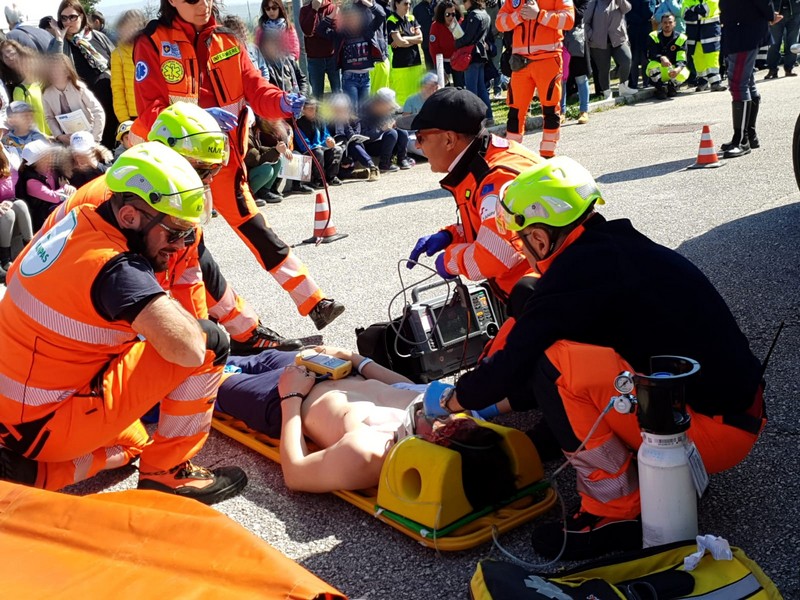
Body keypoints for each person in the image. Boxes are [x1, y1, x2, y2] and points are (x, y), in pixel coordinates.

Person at [439, 156, 766, 560]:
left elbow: (514, 361)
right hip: (735, 411)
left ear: (539, 239)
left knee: (552, 365)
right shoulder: (613, 247)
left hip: (710, 434)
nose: (523, 249)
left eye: (522, 241)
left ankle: (613, 513)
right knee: (554, 339)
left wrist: (452, 400)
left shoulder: (576, 273)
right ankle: (651, 470)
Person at [0, 143, 248, 504]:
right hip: (46, 423)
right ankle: (168, 476)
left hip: (14, 412)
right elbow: (188, 349)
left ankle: (28, 474)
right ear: (130, 216)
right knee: (209, 341)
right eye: (174, 233)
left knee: (134, 443)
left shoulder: (79, 217)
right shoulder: (117, 271)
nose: (180, 246)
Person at [133, 0, 345, 331]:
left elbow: (255, 88)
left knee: (257, 230)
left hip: (224, 162)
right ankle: (240, 331)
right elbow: (150, 112)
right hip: (176, 171)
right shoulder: (152, 42)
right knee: (190, 255)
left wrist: (281, 101)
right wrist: (200, 120)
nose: (204, 4)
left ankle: (314, 301)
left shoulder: (228, 39)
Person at [29, 102, 304, 356]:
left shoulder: (158, 196)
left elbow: (189, 277)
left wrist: (205, 342)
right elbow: (145, 291)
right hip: (62, 336)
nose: (208, 181)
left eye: (213, 171)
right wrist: (196, 349)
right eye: (202, 170)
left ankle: (247, 334)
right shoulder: (124, 200)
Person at [216, 347, 518, 499]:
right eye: (463, 422)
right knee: (238, 351)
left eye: (447, 428)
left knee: (206, 376)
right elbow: (405, 385)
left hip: (278, 398)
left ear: (437, 453)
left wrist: (290, 396)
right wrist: (355, 358)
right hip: (328, 369)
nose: (451, 418)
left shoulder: (371, 452)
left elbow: (296, 474)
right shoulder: (447, 411)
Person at [403, 87, 541, 304]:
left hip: (545, 295)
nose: (418, 145)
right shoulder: (486, 157)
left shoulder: (495, 180)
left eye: (421, 137)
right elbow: (494, 227)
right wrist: (451, 235)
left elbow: (495, 255)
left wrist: (449, 261)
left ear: (449, 139)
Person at [496, 0, 574, 157]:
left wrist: (539, 15)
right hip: (520, 62)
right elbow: (499, 23)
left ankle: (548, 154)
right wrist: (519, 16)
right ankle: (513, 156)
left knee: (550, 109)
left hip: (548, 60)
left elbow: (568, 20)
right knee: (515, 111)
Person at [47, 0, 119, 149]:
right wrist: (59, 39)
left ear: (82, 16)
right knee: (94, 149)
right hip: (85, 110)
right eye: (64, 18)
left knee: (115, 144)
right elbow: (53, 67)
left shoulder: (97, 36)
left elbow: (116, 61)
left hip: (112, 99)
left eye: (72, 17)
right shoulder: (58, 43)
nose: (68, 22)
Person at [719, 0, 779, 158]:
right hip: (740, 30)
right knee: (747, 82)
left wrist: (770, 15)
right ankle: (749, 135)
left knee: (738, 84)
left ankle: (741, 140)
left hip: (745, 32)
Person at [316, 0, 386, 110]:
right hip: (349, 79)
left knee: (364, 112)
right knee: (352, 112)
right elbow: (320, 30)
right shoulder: (340, 35)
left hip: (365, 77)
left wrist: (366, 2)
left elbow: (381, 15)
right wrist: (334, 12)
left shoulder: (367, 31)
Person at [42, 54, 105, 145]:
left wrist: (94, 138)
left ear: (67, 72)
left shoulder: (79, 87)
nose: (54, 75)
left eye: (58, 71)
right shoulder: (47, 94)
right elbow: (49, 118)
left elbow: (98, 111)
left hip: (88, 136)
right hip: (66, 140)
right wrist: (59, 136)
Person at [15, 139, 73, 231]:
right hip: (41, 220)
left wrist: (68, 187)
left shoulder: (51, 170)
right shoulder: (31, 181)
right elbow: (54, 197)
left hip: (54, 212)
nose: (52, 156)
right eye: (48, 155)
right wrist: (64, 187)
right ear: (39, 161)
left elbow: (66, 183)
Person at [586, 0, 637, 99]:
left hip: (618, 39)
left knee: (626, 59)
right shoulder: (594, 3)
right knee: (604, 69)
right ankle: (607, 92)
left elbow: (627, 8)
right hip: (599, 43)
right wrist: (591, 36)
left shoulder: (618, 2)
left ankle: (623, 87)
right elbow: (585, 22)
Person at [327, 93, 380, 181]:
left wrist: (345, 123)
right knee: (339, 145)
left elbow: (353, 136)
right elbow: (327, 136)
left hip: (352, 150)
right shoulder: (329, 122)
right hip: (338, 149)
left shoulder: (355, 121)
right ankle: (352, 174)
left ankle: (372, 167)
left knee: (353, 144)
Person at [0, 146, 33, 282]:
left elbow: (10, 193)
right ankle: (5, 260)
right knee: (8, 215)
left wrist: (8, 201)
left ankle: (31, 248)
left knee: (20, 205)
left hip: (5, 202)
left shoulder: (5, 164)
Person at [457, 0, 494, 123]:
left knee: (471, 89)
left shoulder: (473, 15)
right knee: (481, 88)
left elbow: (468, 37)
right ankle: (488, 116)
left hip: (471, 55)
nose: (463, 4)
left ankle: (474, 119)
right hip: (481, 54)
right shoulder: (485, 14)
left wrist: (457, 43)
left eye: (464, 1)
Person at [361, 87, 412, 172]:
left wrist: (395, 124)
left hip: (387, 142)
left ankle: (402, 159)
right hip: (371, 146)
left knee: (402, 131)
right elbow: (364, 137)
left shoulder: (387, 111)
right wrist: (382, 130)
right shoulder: (366, 113)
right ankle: (384, 164)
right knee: (392, 133)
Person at [300, 0, 342, 98]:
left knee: (338, 92)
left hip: (332, 57)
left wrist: (318, 31)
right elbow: (307, 31)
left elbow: (335, 32)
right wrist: (314, 10)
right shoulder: (305, 10)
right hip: (314, 59)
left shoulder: (332, 8)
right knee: (317, 95)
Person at [110, 10, 146, 125]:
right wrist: (124, 121)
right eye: (128, 26)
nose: (133, 29)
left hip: (154, 111)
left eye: (137, 25)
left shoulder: (150, 49)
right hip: (132, 116)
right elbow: (117, 89)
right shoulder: (118, 54)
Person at [386, 0, 425, 105]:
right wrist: (409, 40)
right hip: (401, 66)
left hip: (416, 63)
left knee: (417, 97)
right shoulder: (392, 20)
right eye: (405, 3)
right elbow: (400, 42)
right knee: (403, 101)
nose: (408, 6)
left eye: (409, 4)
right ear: (397, 4)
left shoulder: (412, 18)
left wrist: (405, 39)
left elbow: (420, 38)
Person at [681, 0, 725, 91]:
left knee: (712, 56)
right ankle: (702, 81)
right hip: (694, 33)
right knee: (697, 57)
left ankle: (715, 82)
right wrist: (699, 13)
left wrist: (693, 10)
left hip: (710, 31)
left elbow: (706, 10)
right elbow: (685, 14)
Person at [8, 44, 50, 135]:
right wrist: (43, 136)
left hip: (57, 135)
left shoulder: (44, 84)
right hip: (39, 138)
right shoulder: (20, 90)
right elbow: (23, 121)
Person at [561, 0, 591, 124]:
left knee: (581, 77)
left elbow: (578, 16)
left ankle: (584, 111)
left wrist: (568, 2)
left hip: (577, 40)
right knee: (561, 79)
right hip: (560, 40)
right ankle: (561, 112)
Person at [646, 13, 689, 99]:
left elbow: (682, 58)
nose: (667, 25)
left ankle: (672, 87)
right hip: (660, 68)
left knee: (684, 73)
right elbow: (651, 54)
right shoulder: (654, 36)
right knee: (652, 66)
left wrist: (678, 69)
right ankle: (660, 88)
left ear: (674, 23)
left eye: (670, 22)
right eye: (665, 22)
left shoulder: (681, 38)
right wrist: (661, 58)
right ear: (661, 24)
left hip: (672, 69)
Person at [222, 15, 270, 80]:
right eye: (235, 30)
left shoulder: (253, 48)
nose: (240, 33)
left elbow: (263, 69)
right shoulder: (226, 55)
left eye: (240, 29)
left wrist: (264, 82)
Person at [429, 1, 465, 86]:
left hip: (457, 59)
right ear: (442, 14)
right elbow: (434, 48)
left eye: (453, 14)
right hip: (442, 61)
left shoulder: (460, 23)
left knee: (460, 86)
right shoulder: (435, 26)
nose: (451, 17)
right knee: (444, 87)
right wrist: (439, 68)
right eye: (447, 14)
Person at [3, 101, 47, 166]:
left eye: (31, 115)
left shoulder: (38, 137)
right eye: (24, 116)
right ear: (11, 121)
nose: (29, 118)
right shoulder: (6, 140)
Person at [764, 0, 800, 79]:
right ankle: (772, 69)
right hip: (776, 11)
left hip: (795, 11)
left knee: (793, 43)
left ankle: (789, 68)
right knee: (774, 43)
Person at [626, 0, 653, 90]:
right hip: (634, 30)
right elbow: (627, 13)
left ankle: (646, 82)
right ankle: (634, 83)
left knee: (645, 57)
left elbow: (649, 13)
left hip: (644, 30)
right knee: (635, 58)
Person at [413, 0, 438, 69]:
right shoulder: (417, 9)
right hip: (426, 45)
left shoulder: (439, 5)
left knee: (443, 70)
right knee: (430, 70)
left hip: (440, 45)